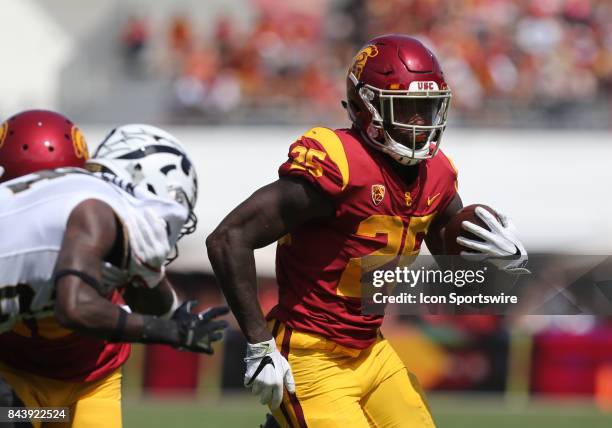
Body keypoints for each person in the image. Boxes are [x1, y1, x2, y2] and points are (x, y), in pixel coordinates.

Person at [207, 35, 527, 427]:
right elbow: (228, 238)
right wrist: (258, 345)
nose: (420, 123)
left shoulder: (438, 173)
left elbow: (451, 261)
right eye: (407, 110)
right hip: (310, 352)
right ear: (366, 107)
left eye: (428, 109)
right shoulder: (341, 163)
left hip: (368, 349)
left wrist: (498, 257)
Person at [0, 123, 227, 428]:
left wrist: (175, 314)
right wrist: (168, 332)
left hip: (87, 375)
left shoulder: (80, 193)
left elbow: (141, 279)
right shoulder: (95, 211)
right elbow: (75, 307)